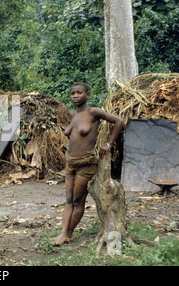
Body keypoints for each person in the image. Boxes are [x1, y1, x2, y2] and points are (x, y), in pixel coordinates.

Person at [53, 82, 124, 246]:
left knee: (78, 200)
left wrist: (108, 144)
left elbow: (119, 122)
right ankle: (64, 233)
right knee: (69, 200)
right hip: (70, 163)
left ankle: (66, 234)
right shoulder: (72, 114)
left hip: (87, 163)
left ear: (87, 95)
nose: (75, 96)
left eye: (79, 92)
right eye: (72, 93)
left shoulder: (94, 112)